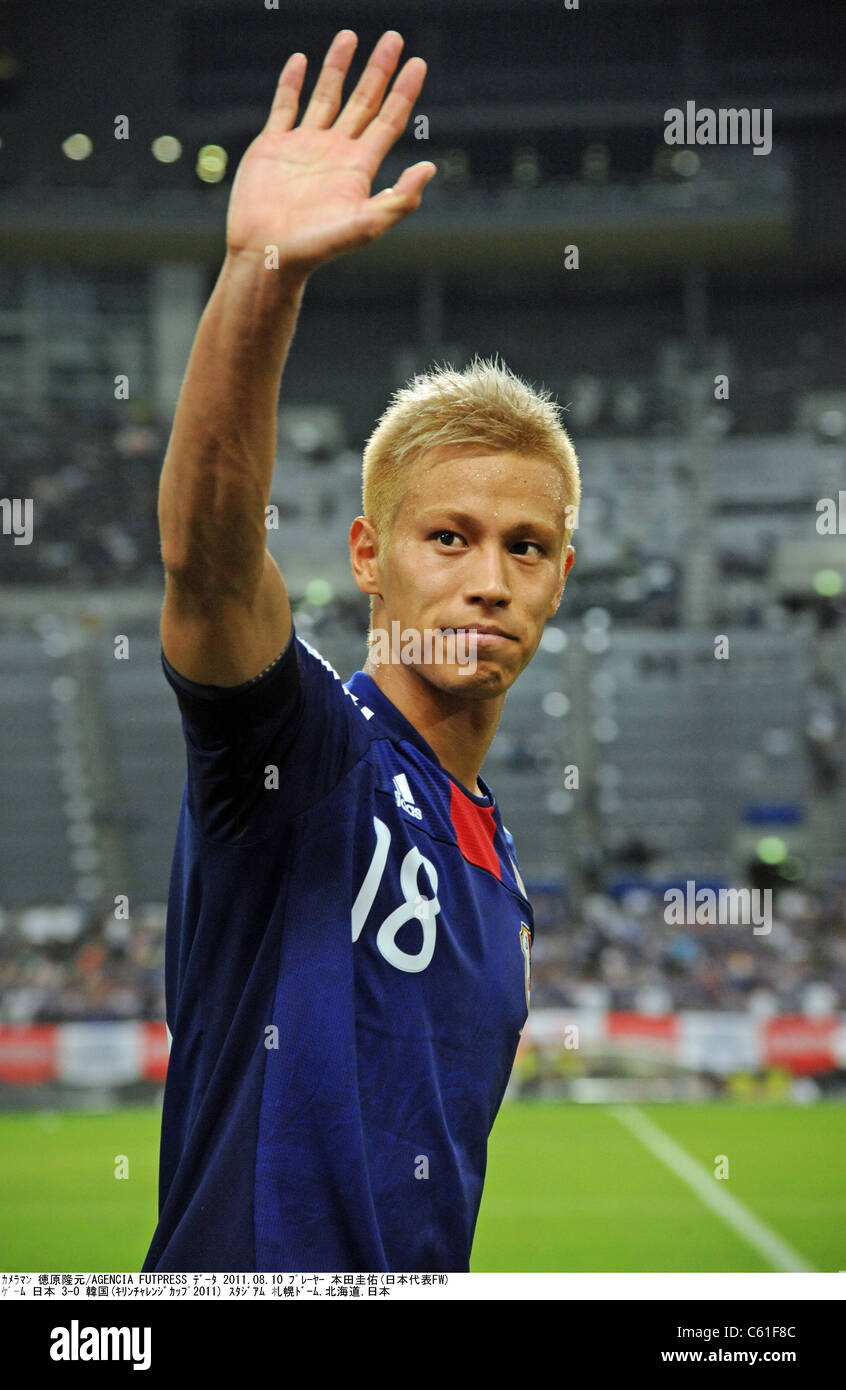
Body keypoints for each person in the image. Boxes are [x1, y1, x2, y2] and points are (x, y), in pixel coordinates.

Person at [143, 27, 579, 1274]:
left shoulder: (502, 870)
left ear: (560, 577)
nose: (489, 579)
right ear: (368, 555)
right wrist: (264, 275)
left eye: (528, 546)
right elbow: (210, 558)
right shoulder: (303, 754)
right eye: (448, 535)